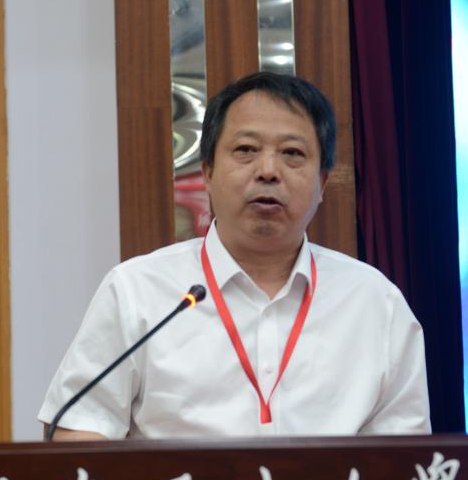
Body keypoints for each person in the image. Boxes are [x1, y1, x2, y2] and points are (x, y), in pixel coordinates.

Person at [38, 71, 430, 439]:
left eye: (292, 153)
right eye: (246, 150)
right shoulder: (137, 291)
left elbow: (406, 460)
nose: (268, 170)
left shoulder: (375, 302)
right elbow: (77, 429)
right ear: (207, 172)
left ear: (322, 182)